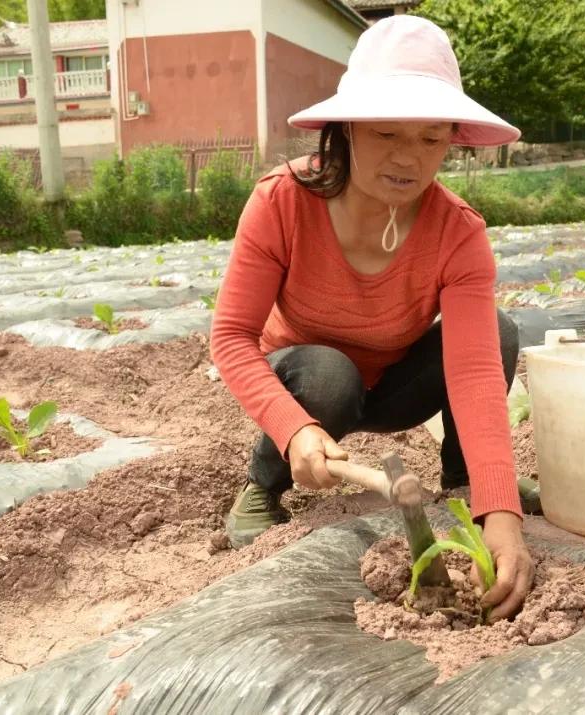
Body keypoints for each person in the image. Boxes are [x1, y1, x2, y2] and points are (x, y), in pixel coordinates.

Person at [210, 15, 534, 620]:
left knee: (499, 331)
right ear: (349, 129)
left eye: (431, 139)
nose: (409, 159)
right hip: (313, 387)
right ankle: (263, 488)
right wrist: (294, 429)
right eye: (387, 134)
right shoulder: (281, 202)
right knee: (329, 374)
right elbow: (231, 338)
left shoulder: (458, 232)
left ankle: (467, 489)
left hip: (392, 387)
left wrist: (503, 508)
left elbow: (472, 371)